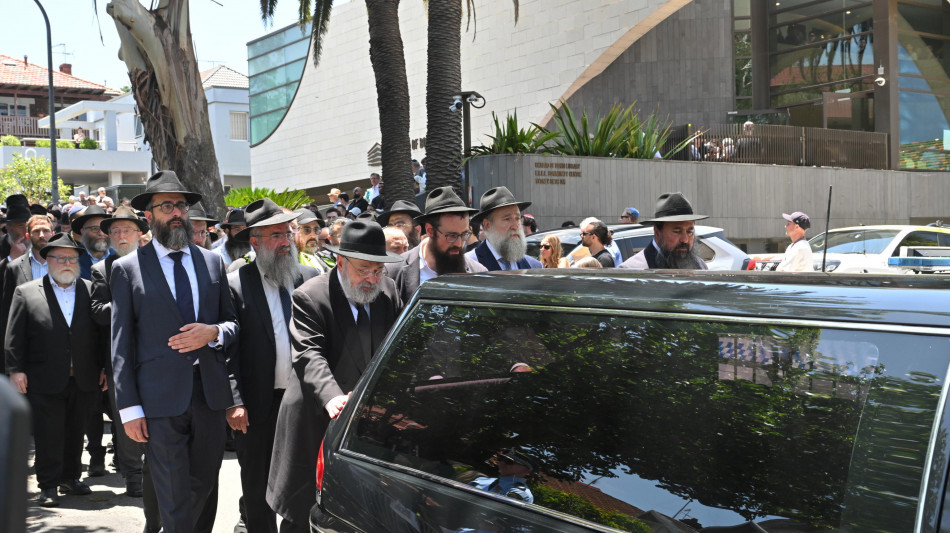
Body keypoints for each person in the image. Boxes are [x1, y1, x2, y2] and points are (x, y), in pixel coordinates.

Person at [111, 170, 239, 533]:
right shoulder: (127, 269)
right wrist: (129, 409)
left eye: (181, 204)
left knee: (204, 482)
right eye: (166, 205)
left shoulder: (212, 261)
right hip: (158, 401)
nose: (176, 212)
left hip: (209, 395)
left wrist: (212, 332)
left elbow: (232, 325)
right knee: (173, 492)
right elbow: (121, 345)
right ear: (148, 215)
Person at [267, 220, 403, 533]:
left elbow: (396, 349)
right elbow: (308, 355)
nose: (372, 279)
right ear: (341, 262)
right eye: (364, 270)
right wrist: (333, 398)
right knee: (302, 517)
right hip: (315, 418)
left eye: (378, 270)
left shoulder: (387, 291)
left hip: (364, 426)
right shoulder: (310, 296)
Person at [226, 199, 320, 533]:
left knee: (303, 481)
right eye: (275, 235)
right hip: (256, 405)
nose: (284, 242)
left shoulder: (309, 278)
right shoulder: (236, 285)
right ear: (255, 242)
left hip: (303, 403)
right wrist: (234, 402)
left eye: (287, 233)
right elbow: (228, 351)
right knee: (257, 485)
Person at [6, 233, 106, 507]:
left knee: (76, 430)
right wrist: (15, 369)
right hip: (43, 376)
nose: (66, 263)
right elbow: (14, 335)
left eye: (71, 258)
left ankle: (70, 477)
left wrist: (104, 368)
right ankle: (48, 485)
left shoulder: (89, 289)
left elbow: (100, 334)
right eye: (59, 258)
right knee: (48, 433)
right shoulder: (26, 291)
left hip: (83, 376)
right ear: (47, 260)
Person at [386, 187, 487, 303]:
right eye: (451, 236)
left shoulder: (479, 273)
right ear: (430, 230)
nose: (459, 244)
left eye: (464, 234)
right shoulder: (393, 273)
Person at [619, 192, 709, 270]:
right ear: (657, 232)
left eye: (690, 232)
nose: (685, 239)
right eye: (677, 231)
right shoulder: (632, 270)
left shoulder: (700, 266)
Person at [466, 187, 542, 271]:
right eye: (507, 219)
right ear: (487, 225)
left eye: (517, 218)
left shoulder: (535, 266)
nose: (515, 226)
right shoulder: (469, 266)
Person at [469, 449, 534, 503]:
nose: (502, 462)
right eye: (501, 458)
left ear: (526, 470)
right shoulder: (482, 480)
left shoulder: (519, 493)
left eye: (509, 461)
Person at [73, 205, 114, 280]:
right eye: (95, 229)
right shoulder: (72, 258)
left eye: (104, 229)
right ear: (83, 231)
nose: (101, 233)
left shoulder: (119, 257)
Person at [293, 207, 330, 272]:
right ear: (294, 231)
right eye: (306, 230)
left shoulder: (319, 258)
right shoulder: (290, 263)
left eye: (316, 229)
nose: (313, 235)